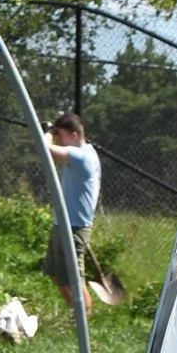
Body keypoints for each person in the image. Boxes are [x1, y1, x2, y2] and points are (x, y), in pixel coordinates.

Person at [43, 112, 108, 317]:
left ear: (73, 134)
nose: (60, 140)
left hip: (75, 227)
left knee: (75, 279)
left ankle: (84, 322)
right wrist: (53, 131)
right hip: (63, 224)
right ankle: (76, 313)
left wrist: (46, 132)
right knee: (54, 273)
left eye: (61, 135)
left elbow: (48, 151)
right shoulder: (78, 154)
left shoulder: (82, 156)